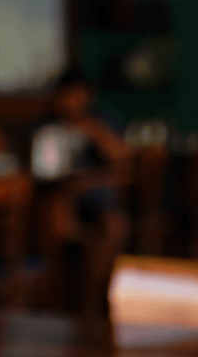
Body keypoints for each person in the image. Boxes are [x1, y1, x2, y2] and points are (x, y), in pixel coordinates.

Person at [31, 68, 134, 313]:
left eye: (75, 95)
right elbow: (41, 173)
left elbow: (123, 158)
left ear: (88, 96)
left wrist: (91, 129)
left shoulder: (102, 120)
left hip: (99, 200)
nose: (68, 102)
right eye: (63, 95)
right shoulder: (45, 127)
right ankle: (61, 303)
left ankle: (91, 303)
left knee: (114, 225)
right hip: (58, 196)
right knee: (56, 216)